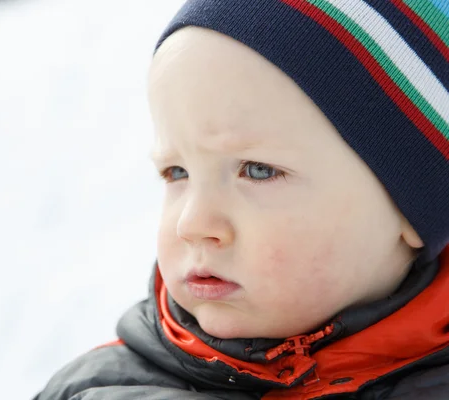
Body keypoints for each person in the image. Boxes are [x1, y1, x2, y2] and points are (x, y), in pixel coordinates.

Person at [34, 0, 449, 398]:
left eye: (258, 170)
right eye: (177, 172)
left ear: (411, 209)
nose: (192, 225)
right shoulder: (96, 390)